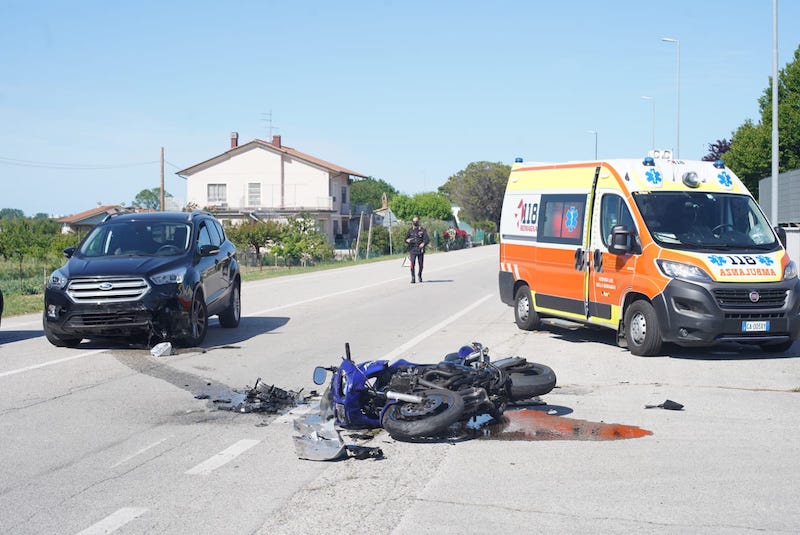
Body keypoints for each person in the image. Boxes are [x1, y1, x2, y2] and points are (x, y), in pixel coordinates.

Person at [405, 216, 430, 283]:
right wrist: (407, 240)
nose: (415, 222)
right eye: (414, 221)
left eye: (416, 221)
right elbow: (405, 239)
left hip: (420, 250)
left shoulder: (422, 230)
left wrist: (423, 243)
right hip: (412, 249)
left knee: (421, 265)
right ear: (412, 222)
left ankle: (419, 275)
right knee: (412, 264)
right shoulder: (410, 230)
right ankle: (413, 278)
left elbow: (427, 239)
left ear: (418, 221)